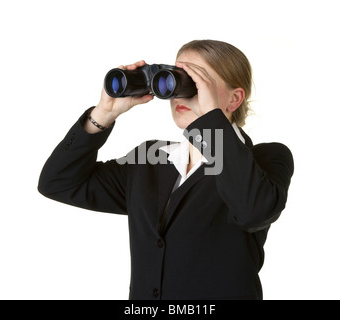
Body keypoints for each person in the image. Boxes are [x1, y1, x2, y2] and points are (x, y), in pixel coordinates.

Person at [38, 40, 294, 300]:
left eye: (196, 83)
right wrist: (103, 113)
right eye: (177, 79)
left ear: (234, 98)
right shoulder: (151, 159)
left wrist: (210, 118)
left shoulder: (265, 159)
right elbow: (58, 183)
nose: (180, 94)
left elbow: (253, 210)